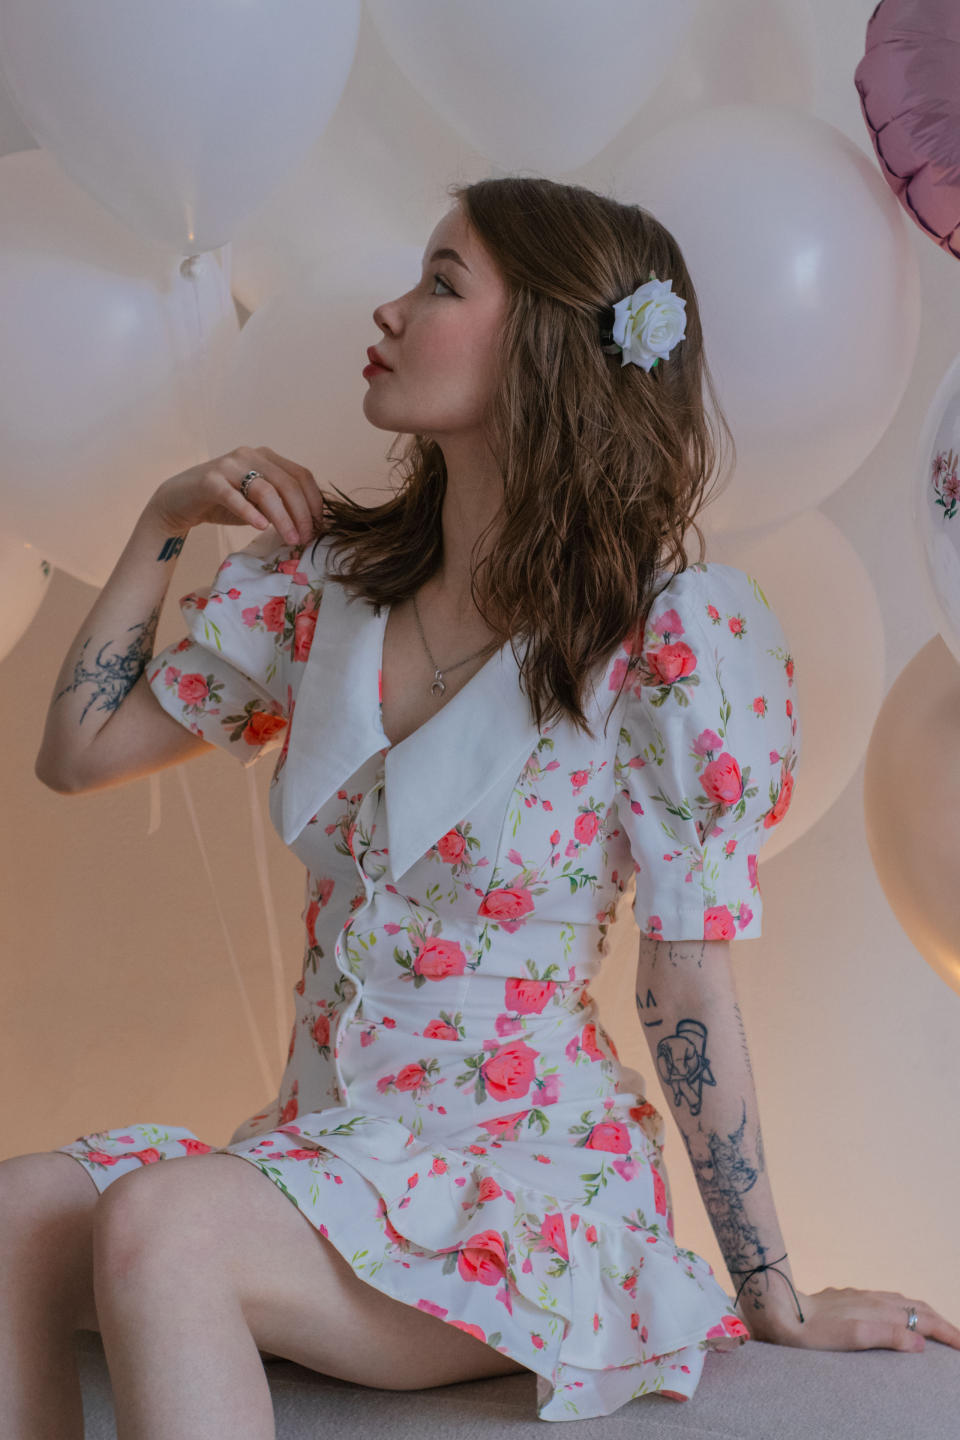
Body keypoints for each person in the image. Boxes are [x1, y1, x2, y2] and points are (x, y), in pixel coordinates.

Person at [12, 176, 960, 1434]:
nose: (392, 311)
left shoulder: (667, 638)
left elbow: (685, 982)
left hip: (530, 1189)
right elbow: (77, 751)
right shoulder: (329, 589)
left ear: (544, 349)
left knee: (165, 1227)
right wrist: (165, 517)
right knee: (14, 1217)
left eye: (442, 284)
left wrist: (770, 1290)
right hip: (324, 1158)